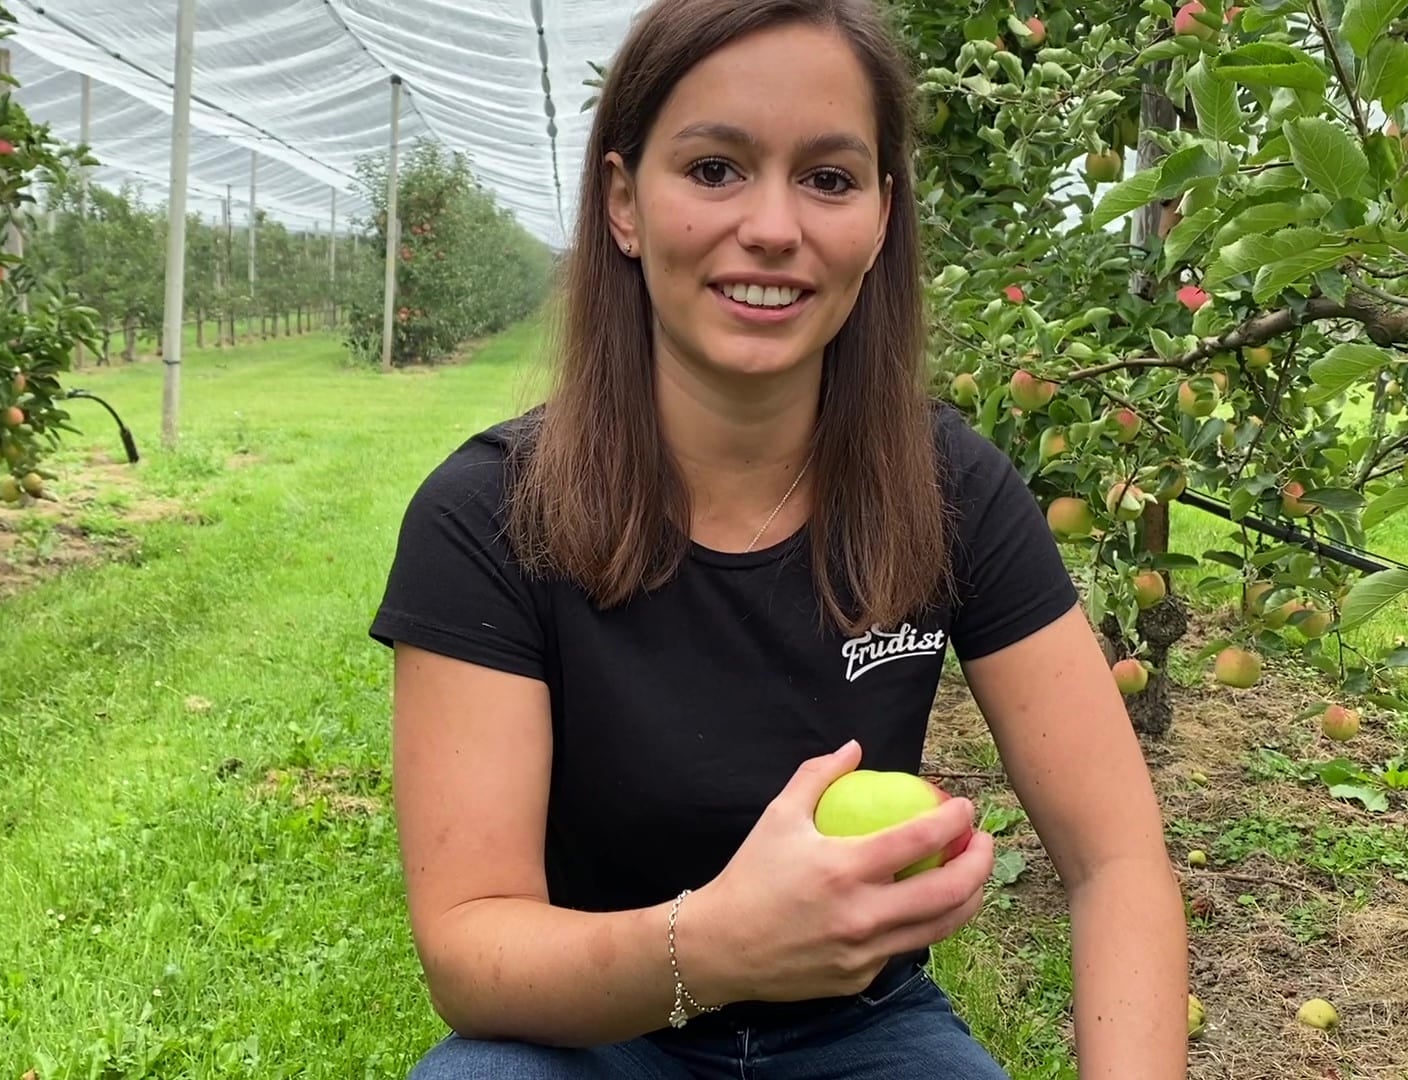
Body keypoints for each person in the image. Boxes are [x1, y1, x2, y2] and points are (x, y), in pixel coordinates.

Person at [367, 0, 1188, 1075]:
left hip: (864, 1029)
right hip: (591, 1027)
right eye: (714, 169)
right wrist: (718, 945)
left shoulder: (949, 490)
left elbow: (1117, 863)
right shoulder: (488, 516)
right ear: (623, 202)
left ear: (882, 217)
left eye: (829, 178)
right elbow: (472, 948)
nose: (772, 227)